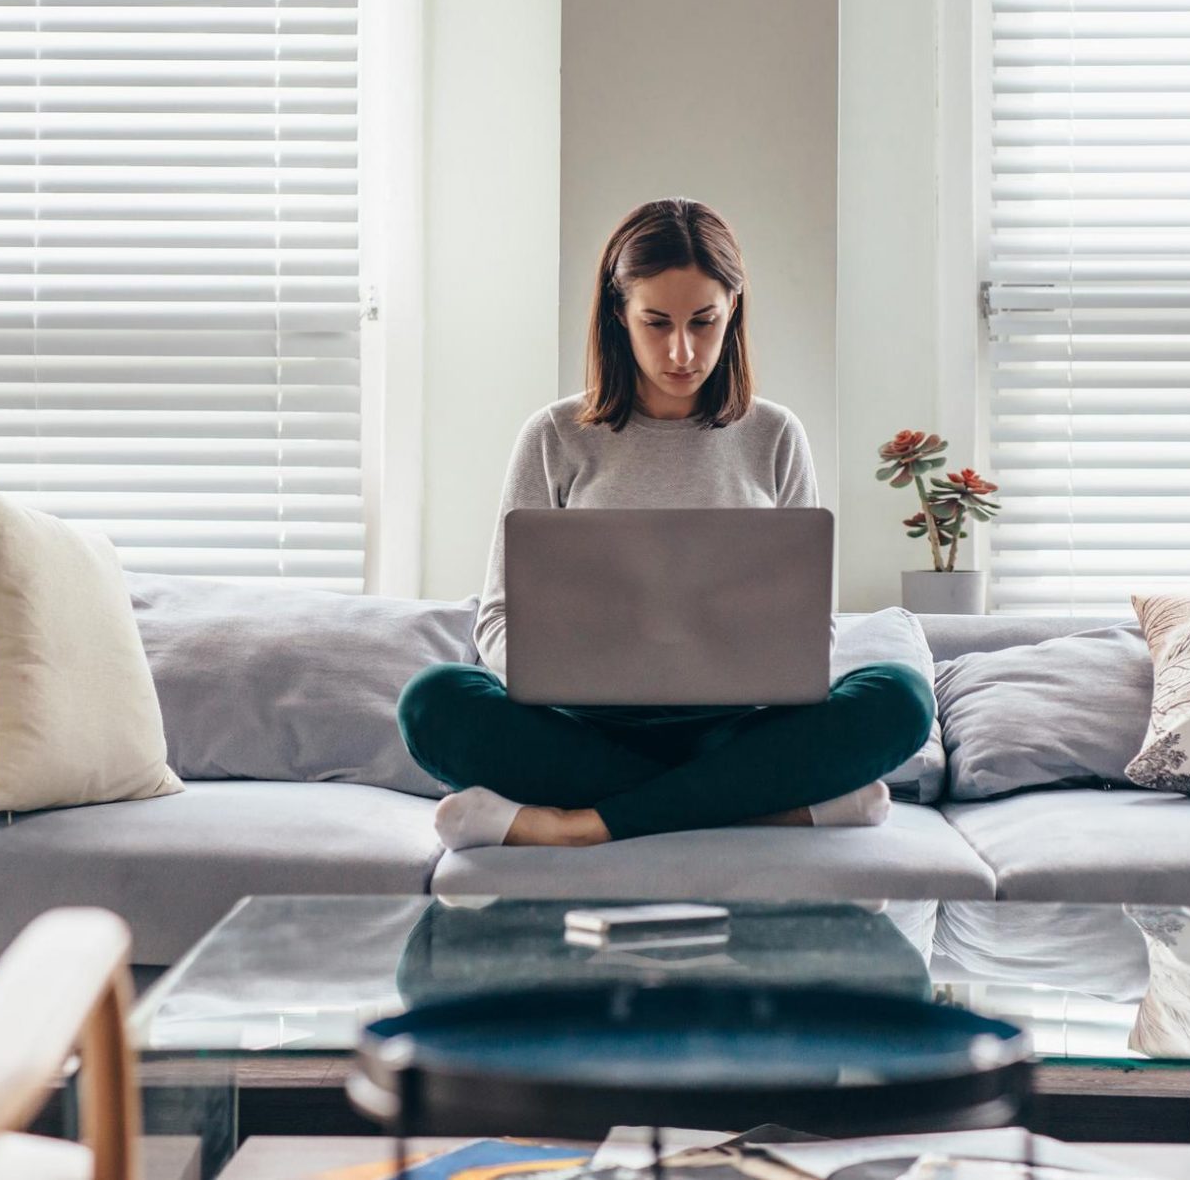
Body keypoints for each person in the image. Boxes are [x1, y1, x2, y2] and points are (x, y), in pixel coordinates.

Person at [396, 197, 933, 850]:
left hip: (738, 725)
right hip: (585, 727)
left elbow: (807, 630)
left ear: (733, 308)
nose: (682, 351)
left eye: (704, 322)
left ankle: (581, 826)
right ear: (618, 315)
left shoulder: (775, 436)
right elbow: (497, 621)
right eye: (657, 322)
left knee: (902, 699)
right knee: (433, 701)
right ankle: (759, 806)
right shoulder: (555, 436)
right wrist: (566, 670)